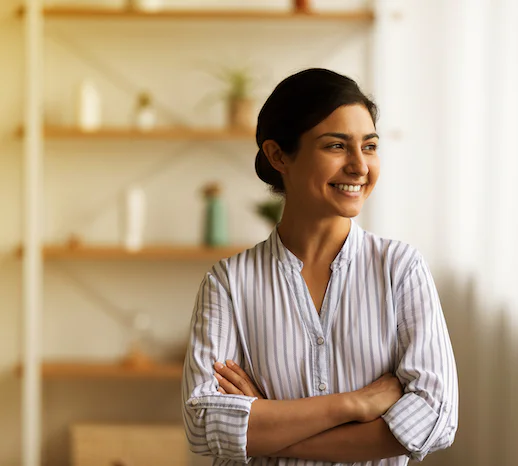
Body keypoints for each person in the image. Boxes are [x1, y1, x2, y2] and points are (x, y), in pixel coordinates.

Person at [181, 68, 458, 465]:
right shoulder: (228, 283)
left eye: (370, 146)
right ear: (279, 155)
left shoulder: (400, 269)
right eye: (336, 146)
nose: (360, 166)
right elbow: (204, 424)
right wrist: (352, 405)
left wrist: (267, 424)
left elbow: (434, 419)